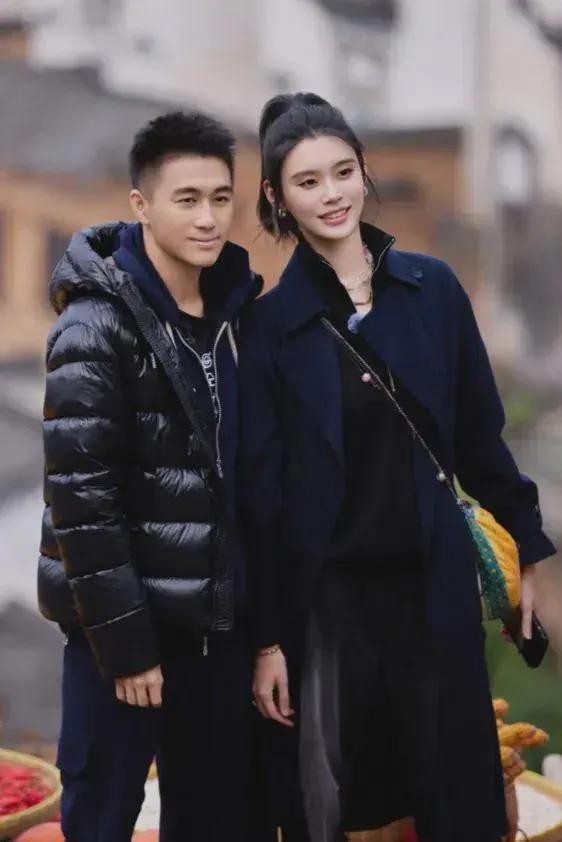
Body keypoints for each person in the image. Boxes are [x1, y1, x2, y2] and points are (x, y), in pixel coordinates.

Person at [238, 92, 556, 842]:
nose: (331, 194)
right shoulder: (270, 327)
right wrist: (268, 641)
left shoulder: (432, 290)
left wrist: (534, 553)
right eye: (307, 181)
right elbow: (262, 496)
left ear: (363, 172)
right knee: (328, 809)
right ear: (277, 198)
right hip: (328, 611)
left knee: (459, 802)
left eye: (342, 172)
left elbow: (480, 440)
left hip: (432, 592)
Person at [37, 110, 262, 842]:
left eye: (221, 198)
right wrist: (129, 648)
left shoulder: (235, 315)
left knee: (216, 824)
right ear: (141, 204)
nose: (208, 218)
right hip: (122, 641)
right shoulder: (93, 325)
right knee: (101, 822)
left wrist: (262, 633)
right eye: (187, 199)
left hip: (216, 636)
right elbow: (82, 501)